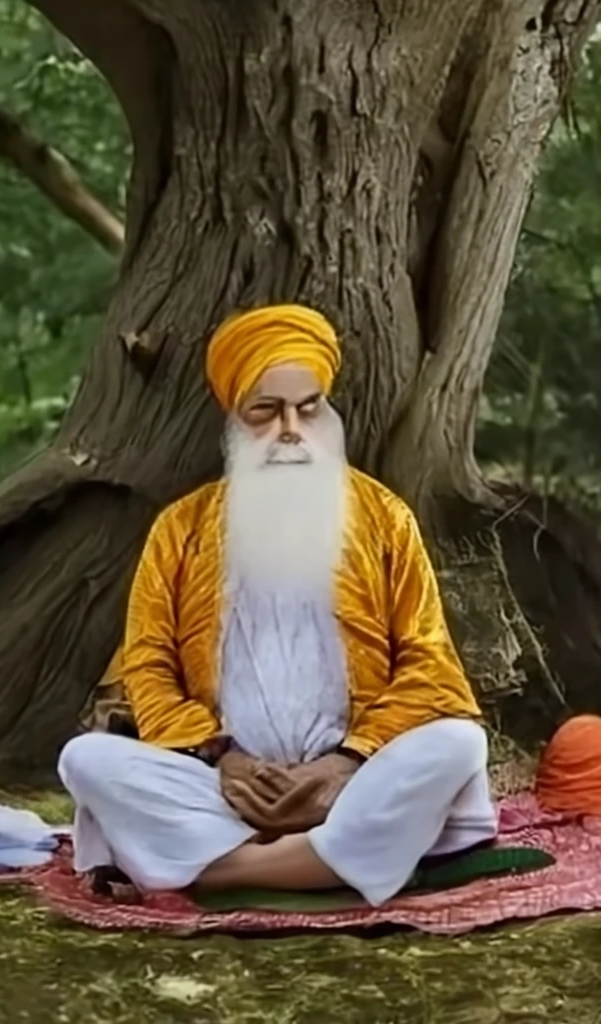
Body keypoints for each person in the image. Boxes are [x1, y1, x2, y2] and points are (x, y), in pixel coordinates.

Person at [58, 304, 498, 907]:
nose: (290, 427)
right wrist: (223, 757)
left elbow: (429, 666)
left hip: (354, 780)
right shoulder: (181, 530)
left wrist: (346, 762)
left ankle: (224, 874)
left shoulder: (385, 519)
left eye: (308, 407)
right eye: (265, 411)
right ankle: (333, 863)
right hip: (225, 783)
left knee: (457, 745)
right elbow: (149, 667)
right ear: (235, 419)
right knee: (86, 759)